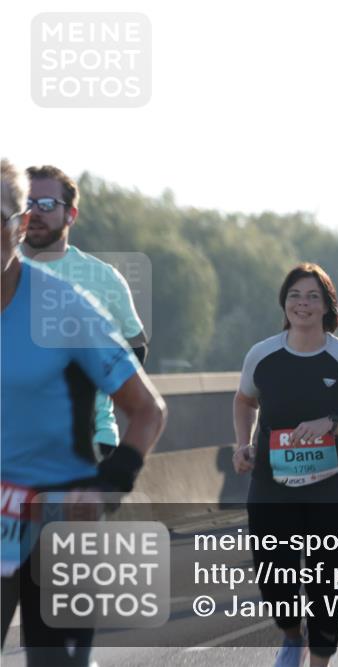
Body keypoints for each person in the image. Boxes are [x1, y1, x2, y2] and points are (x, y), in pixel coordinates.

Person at [1, 158, 167, 667]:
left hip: (64, 486)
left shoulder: (73, 297)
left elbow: (145, 404)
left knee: (55, 659)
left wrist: (106, 482)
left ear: (20, 224)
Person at [232, 263, 338, 667]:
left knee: (324, 580)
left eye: (313, 296)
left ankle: (318, 661)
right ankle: (292, 636)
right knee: (273, 577)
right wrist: (242, 444)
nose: (303, 303)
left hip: (334, 484)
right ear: (284, 302)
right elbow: (244, 400)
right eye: (295, 294)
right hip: (272, 483)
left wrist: (331, 424)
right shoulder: (262, 354)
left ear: (327, 305)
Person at [20, 164, 149, 460]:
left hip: (89, 441)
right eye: (27, 203)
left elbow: (135, 347)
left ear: (71, 214)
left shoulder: (103, 278)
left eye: (47, 204)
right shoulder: (6, 271)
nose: (35, 212)